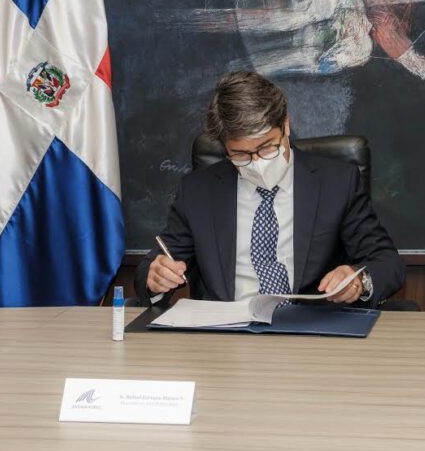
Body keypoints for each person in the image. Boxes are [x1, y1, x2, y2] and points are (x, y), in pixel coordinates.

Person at [135, 71, 405, 307]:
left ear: (285, 124)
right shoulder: (198, 191)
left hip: (310, 330)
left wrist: (359, 280)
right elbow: (155, 264)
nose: (257, 163)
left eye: (266, 147)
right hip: (224, 333)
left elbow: (386, 261)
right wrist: (155, 278)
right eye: (241, 154)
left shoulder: (336, 183)